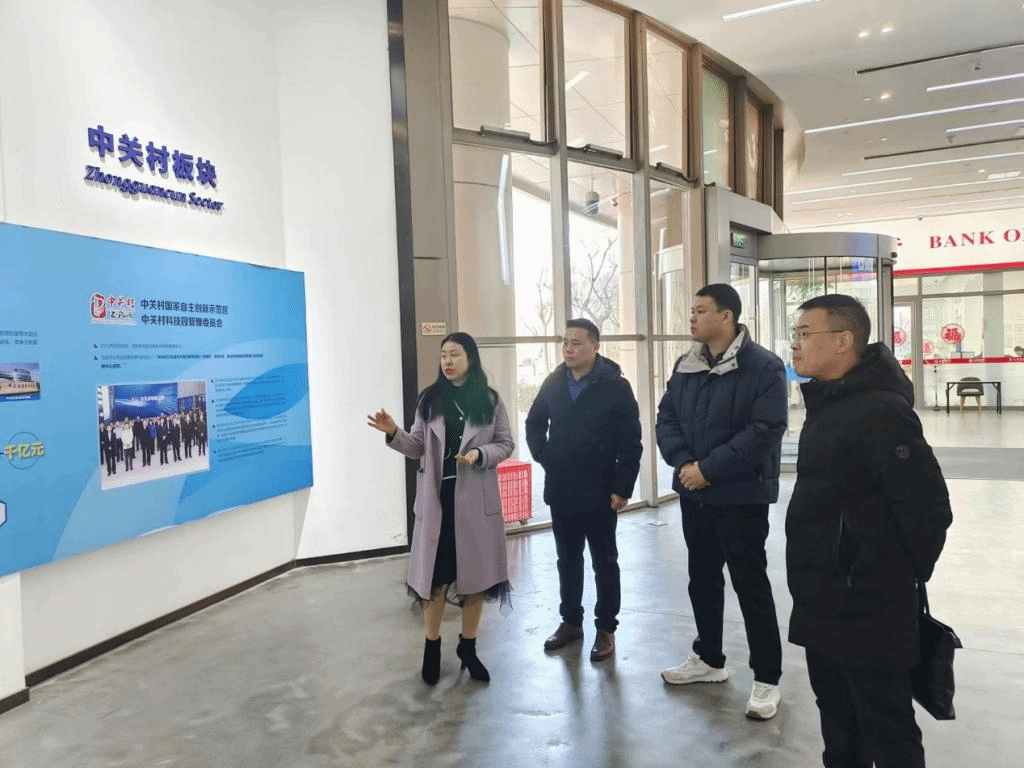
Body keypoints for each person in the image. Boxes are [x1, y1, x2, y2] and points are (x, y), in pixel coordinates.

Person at [786, 294, 952, 768]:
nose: (794, 345)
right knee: (838, 724)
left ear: (843, 341)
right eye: (795, 335)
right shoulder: (827, 403)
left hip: (868, 607)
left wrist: (886, 574)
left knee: (887, 727)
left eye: (804, 334)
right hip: (821, 598)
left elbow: (928, 510)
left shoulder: (881, 411)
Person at [655, 283, 787, 720]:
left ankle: (767, 678)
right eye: (692, 311)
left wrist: (708, 469)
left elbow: (765, 430)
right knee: (702, 578)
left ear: (726, 316)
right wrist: (684, 463)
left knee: (750, 585)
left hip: (741, 495)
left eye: (700, 310)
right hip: (695, 493)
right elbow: (666, 417)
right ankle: (709, 659)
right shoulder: (686, 364)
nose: (692, 318)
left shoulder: (764, 366)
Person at [368, 331, 514, 686]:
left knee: (475, 580)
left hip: (476, 501)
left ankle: (468, 647)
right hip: (437, 501)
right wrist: (394, 433)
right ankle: (431, 646)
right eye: (444, 355)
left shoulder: (490, 400)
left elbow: (506, 443)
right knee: (435, 579)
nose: (447, 361)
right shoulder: (429, 400)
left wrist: (480, 453)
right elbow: (417, 447)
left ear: (471, 359)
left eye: (455, 355)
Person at [525, 318, 642, 662]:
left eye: (576, 343)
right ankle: (571, 622)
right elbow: (534, 423)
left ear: (595, 346)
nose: (569, 349)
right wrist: (545, 456)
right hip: (562, 489)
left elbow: (631, 442)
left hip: (600, 491)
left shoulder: (615, 386)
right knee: (567, 560)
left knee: (604, 562)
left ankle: (606, 629)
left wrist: (622, 487)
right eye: (565, 342)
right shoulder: (554, 382)